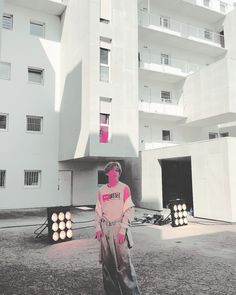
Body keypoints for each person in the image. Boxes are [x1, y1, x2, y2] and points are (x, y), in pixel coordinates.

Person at [95, 161, 141, 295]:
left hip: (119, 228)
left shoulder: (124, 188)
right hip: (105, 230)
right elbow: (98, 211)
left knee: (124, 265)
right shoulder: (101, 191)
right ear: (107, 173)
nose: (115, 173)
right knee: (107, 265)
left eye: (117, 170)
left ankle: (131, 292)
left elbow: (129, 210)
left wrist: (123, 229)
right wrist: (98, 227)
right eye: (112, 170)